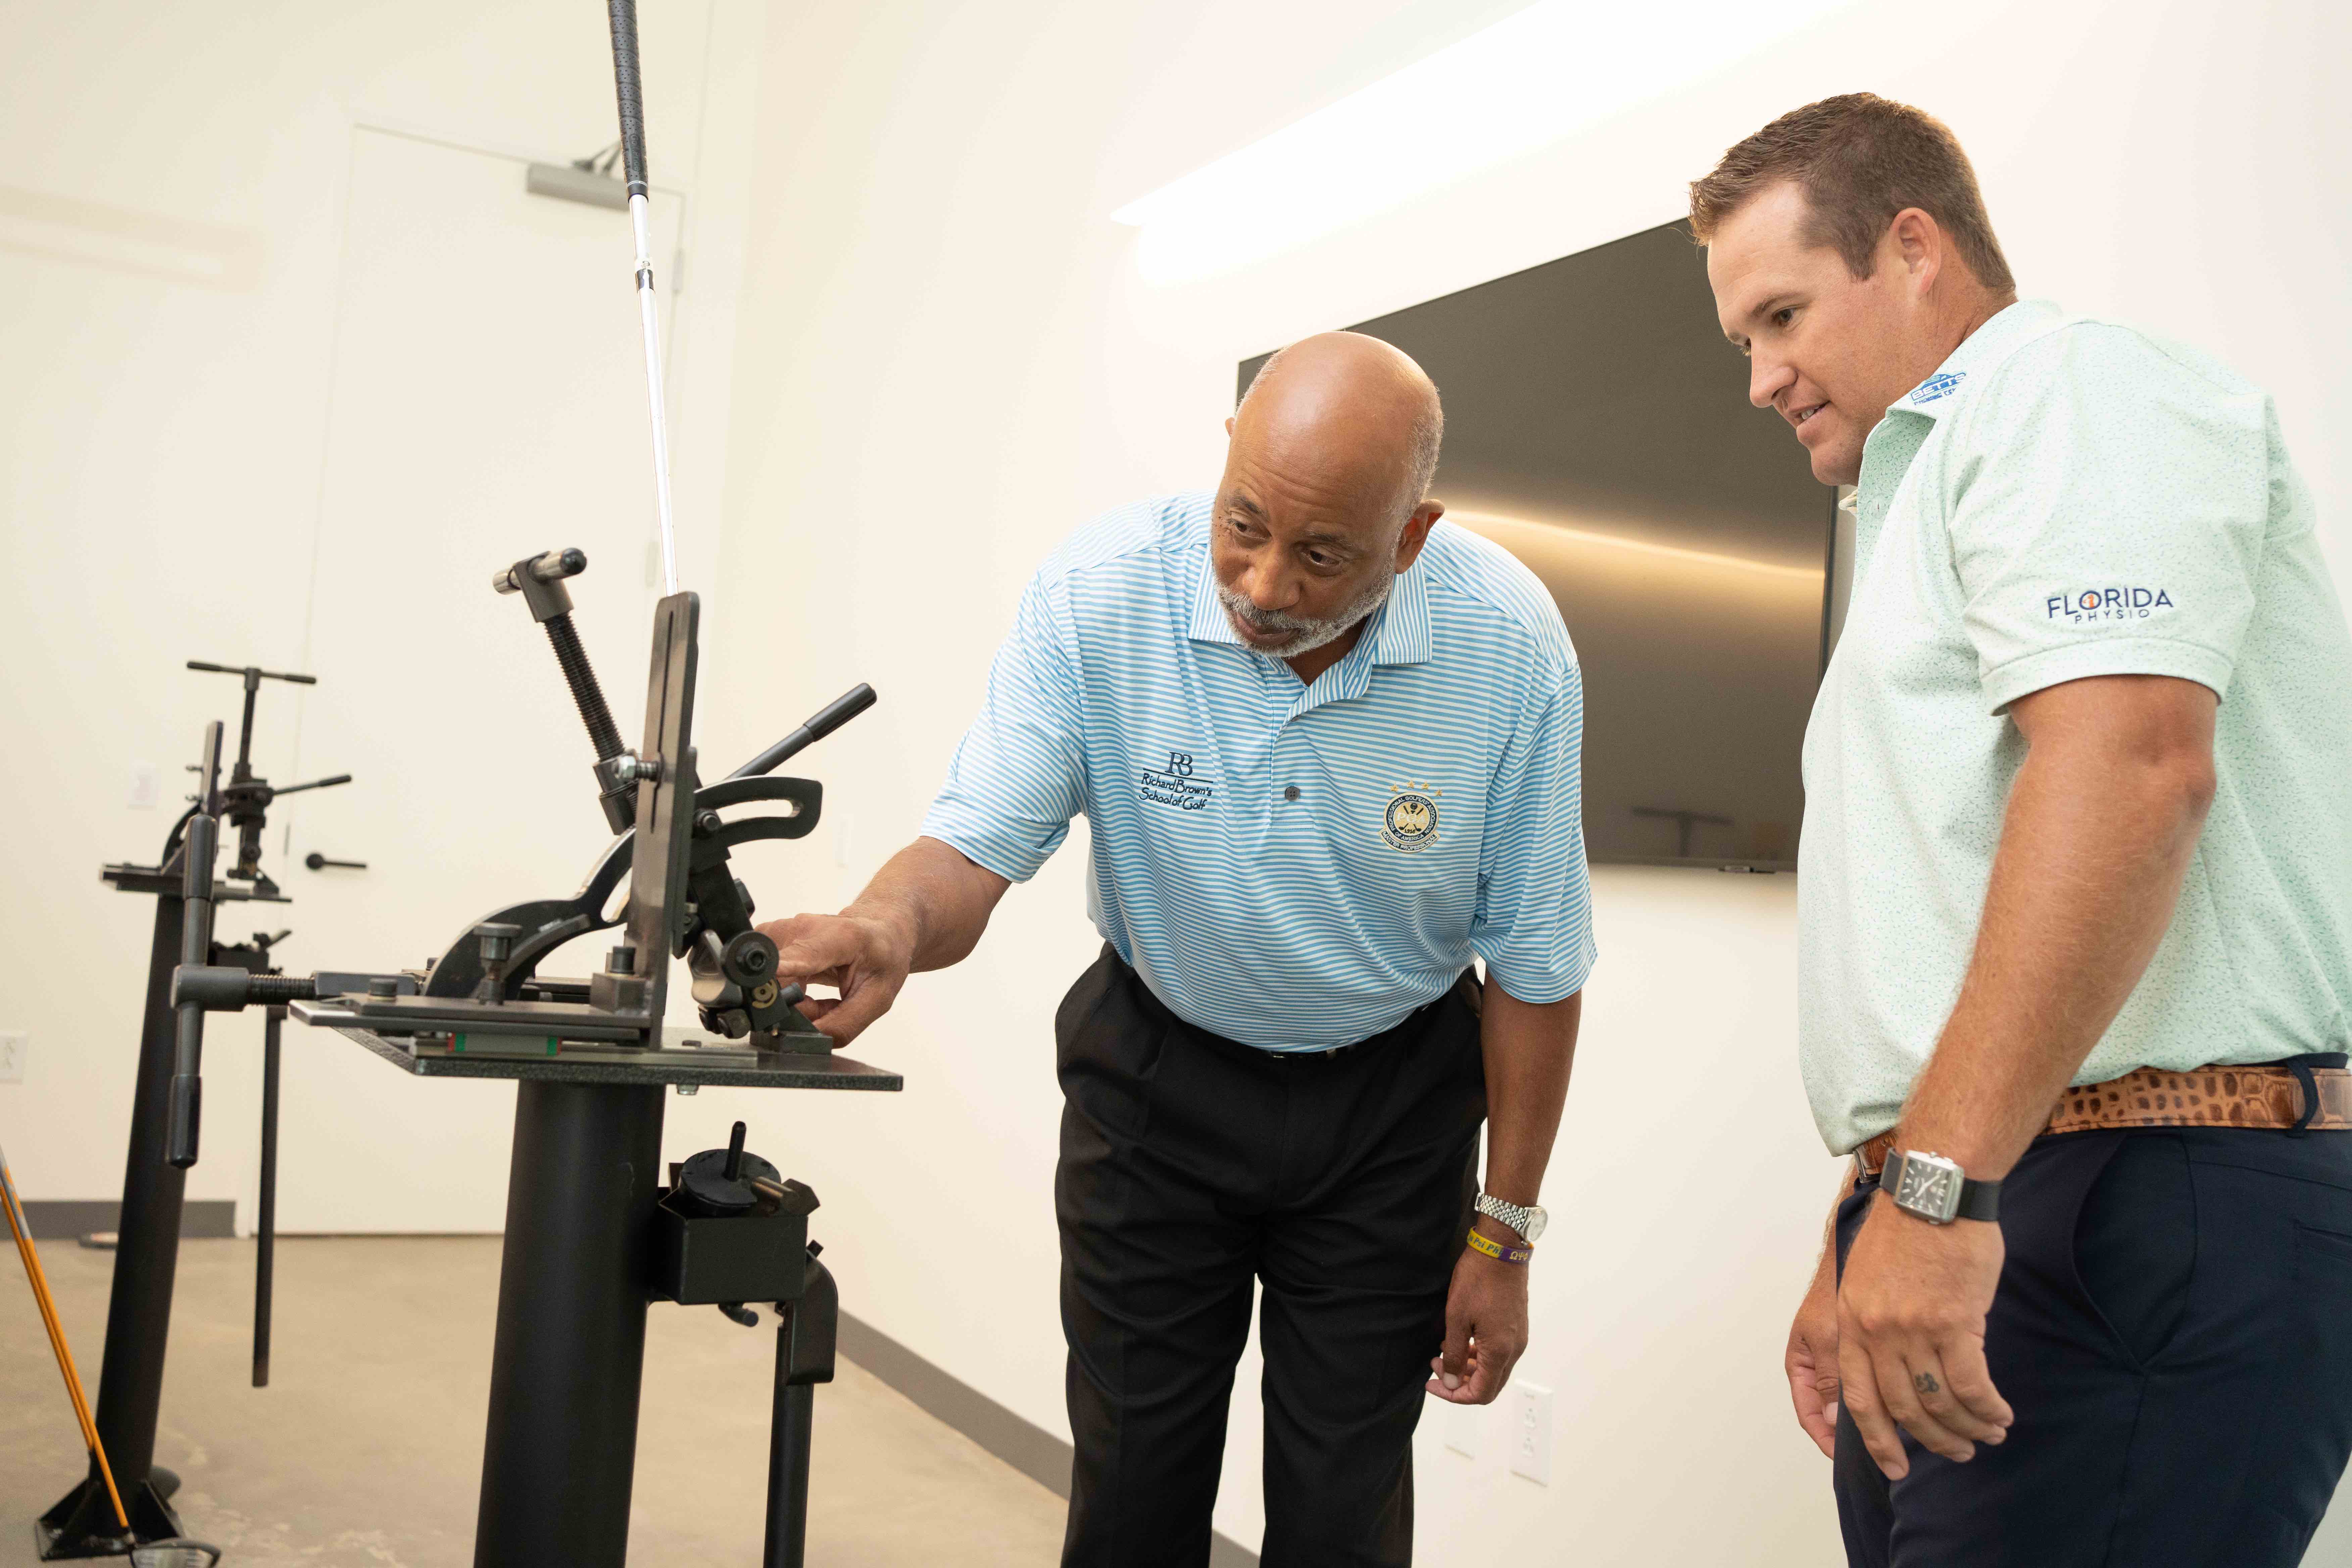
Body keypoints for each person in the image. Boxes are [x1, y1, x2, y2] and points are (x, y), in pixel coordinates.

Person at [756, 332, 1594, 1567]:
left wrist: (1502, 1238)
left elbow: (1536, 967)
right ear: (1226, 458)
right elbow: (978, 840)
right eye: (1242, 526)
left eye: (1322, 556)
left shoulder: (1509, 648)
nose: (1263, 585)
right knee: (1134, 1489)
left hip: (1392, 1112)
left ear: (1411, 538)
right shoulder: (1103, 592)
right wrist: (885, 924)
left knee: (1344, 1507)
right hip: (1157, 1081)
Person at [1688, 92, 2352, 1566]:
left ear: (1914, 249)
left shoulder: (2073, 391)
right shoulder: (1925, 488)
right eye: (1744, 339)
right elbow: (1947, 917)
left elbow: (2133, 770)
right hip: (1994, 1185)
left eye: (1783, 315)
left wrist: (1931, 1193)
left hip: (2142, 1200)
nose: (1762, 375)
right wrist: (1873, 1207)